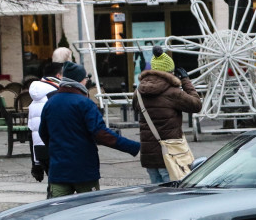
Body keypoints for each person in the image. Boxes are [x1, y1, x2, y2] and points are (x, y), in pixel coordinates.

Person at [39, 74, 139, 197]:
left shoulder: (51, 103)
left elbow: (42, 132)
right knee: (91, 209)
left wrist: (56, 148)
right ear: (80, 82)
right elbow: (101, 134)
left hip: (58, 169)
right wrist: (132, 146)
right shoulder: (85, 103)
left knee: (57, 211)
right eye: (85, 79)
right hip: (84, 169)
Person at [136, 49, 202, 183]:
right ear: (169, 73)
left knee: (155, 194)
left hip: (149, 156)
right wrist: (186, 81)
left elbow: (136, 109)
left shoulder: (138, 92)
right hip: (171, 154)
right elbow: (196, 105)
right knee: (171, 193)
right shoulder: (173, 92)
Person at [27, 61, 63, 183]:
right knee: (60, 187)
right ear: (59, 76)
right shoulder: (56, 95)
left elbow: (31, 131)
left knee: (54, 185)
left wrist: (35, 162)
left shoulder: (35, 99)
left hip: (40, 149)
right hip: (55, 147)